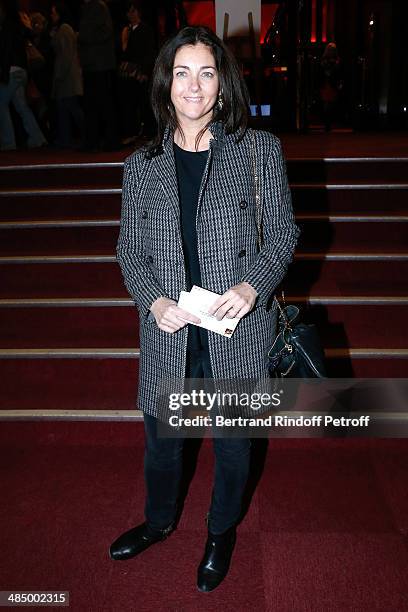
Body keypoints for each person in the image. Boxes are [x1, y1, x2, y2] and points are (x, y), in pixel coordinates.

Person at [112, 26, 300, 592]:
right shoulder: (140, 166)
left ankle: (221, 530)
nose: (194, 85)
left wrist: (252, 286)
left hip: (234, 328)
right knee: (163, 441)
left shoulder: (258, 150)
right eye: (182, 72)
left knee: (232, 442)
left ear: (224, 85)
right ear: (166, 84)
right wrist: (153, 300)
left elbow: (284, 234)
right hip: (170, 331)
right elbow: (129, 249)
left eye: (207, 72)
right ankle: (160, 520)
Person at [0, 0, 47, 150]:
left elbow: (6, 52)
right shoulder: (19, 26)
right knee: (21, 106)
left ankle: (8, 142)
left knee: (1, 105)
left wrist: (3, 73)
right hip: (22, 71)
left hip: (11, 70)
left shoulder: (7, 27)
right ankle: (37, 138)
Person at [78, 0, 118, 150]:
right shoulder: (91, 7)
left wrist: (82, 36)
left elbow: (105, 32)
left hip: (99, 65)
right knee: (95, 105)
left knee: (102, 105)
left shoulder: (98, 6)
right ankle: (94, 141)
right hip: (94, 65)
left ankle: (106, 141)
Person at [117, 0, 156, 143]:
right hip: (128, 73)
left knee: (144, 103)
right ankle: (132, 132)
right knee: (130, 104)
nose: (130, 14)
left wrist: (144, 71)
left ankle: (148, 132)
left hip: (141, 73)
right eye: (129, 12)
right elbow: (124, 52)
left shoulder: (146, 30)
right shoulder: (126, 30)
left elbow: (149, 53)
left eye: (133, 11)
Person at [50, 1, 84, 148]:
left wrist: (59, 76)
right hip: (68, 76)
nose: (51, 16)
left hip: (67, 78)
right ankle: (66, 140)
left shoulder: (64, 29)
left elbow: (65, 56)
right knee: (66, 109)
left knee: (69, 108)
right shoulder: (65, 29)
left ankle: (82, 136)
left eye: (53, 13)